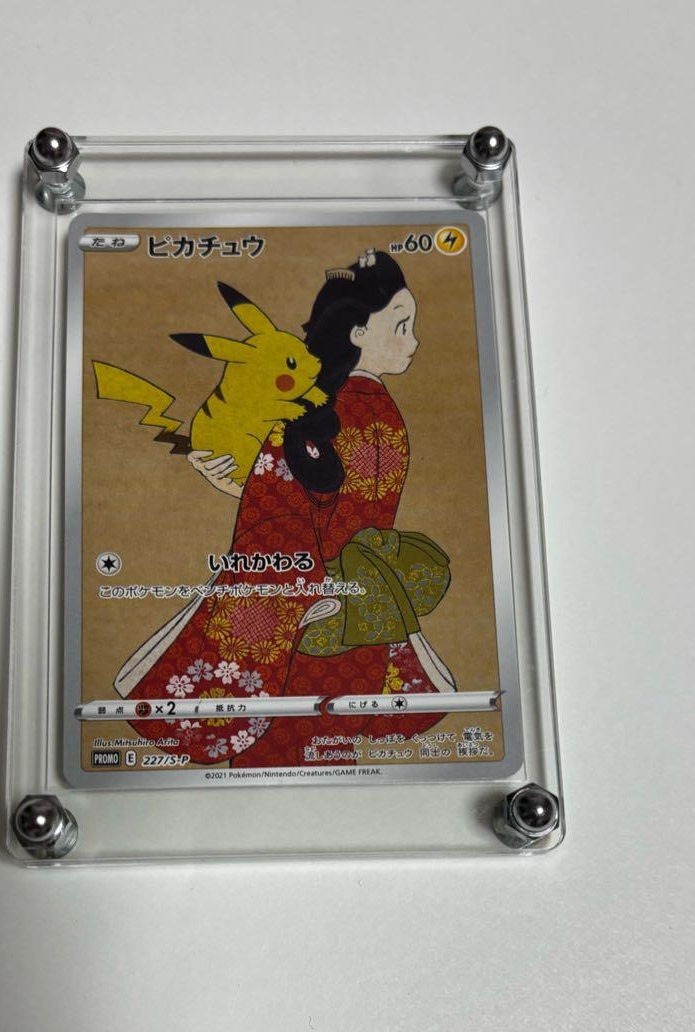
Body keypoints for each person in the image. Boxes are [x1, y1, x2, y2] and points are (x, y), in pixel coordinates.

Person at [116, 250, 454, 767]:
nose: (414, 342)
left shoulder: (317, 415)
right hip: (364, 613)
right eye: (401, 326)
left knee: (279, 758)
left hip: (310, 619)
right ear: (358, 332)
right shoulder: (375, 410)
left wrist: (258, 499)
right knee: (325, 755)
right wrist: (247, 484)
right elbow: (336, 503)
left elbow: (286, 516)